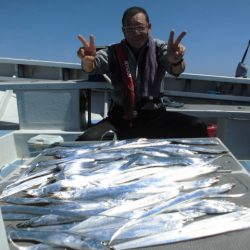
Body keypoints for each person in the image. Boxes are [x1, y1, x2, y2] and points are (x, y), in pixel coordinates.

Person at [76, 6, 208, 141]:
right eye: (130, 28)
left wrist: (175, 61)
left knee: (197, 126)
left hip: (154, 115)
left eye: (140, 27)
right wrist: (88, 62)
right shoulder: (113, 51)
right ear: (123, 30)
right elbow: (92, 66)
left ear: (149, 27)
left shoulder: (160, 48)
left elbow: (176, 70)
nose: (136, 32)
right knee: (86, 139)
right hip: (121, 117)